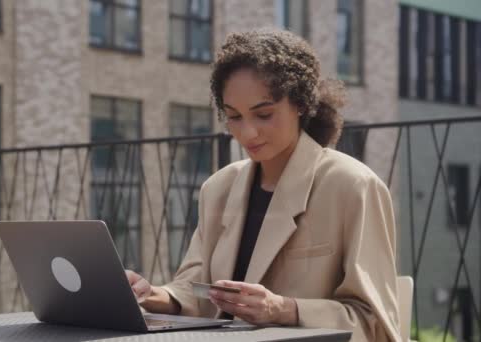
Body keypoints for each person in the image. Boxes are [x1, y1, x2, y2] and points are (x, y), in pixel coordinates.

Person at [126, 28, 400, 341]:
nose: (248, 133)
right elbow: (194, 289)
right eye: (234, 117)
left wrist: (284, 309)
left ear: (299, 104)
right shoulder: (218, 189)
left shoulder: (354, 187)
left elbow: (377, 326)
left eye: (264, 114)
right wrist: (150, 294)